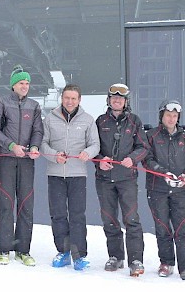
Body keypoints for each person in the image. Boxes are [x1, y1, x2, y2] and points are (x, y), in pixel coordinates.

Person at [0, 65, 44, 266]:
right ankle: (4, 248)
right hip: (6, 158)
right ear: (13, 85)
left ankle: (23, 249)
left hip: (27, 160)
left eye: (27, 83)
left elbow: (38, 130)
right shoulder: (1, 103)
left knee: (26, 204)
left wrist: (35, 146)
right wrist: (11, 145)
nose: (25, 86)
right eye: (21, 82)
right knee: (6, 203)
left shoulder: (34, 106)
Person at [40, 84, 100, 271]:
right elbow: (42, 144)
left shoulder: (88, 120)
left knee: (77, 215)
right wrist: (54, 155)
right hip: (56, 174)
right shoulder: (50, 119)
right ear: (62, 98)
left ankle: (79, 255)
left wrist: (87, 153)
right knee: (58, 215)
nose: (70, 101)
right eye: (67, 98)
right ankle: (63, 252)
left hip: (77, 174)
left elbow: (95, 144)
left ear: (79, 100)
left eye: (73, 98)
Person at [94, 83, 150, 277]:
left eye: (120, 98)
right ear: (109, 100)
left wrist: (132, 158)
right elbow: (93, 147)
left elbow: (143, 147)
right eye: (113, 97)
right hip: (104, 178)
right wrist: (100, 160)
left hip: (126, 179)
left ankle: (136, 259)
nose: (117, 100)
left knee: (131, 219)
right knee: (109, 219)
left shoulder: (134, 121)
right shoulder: (100, 121)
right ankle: (115, 256)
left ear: (126, 102)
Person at [142, 100, 185, 280]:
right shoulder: (151, 135)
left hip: (180, 190)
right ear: (162, 116)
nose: (171, 119)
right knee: (162, 227)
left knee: (181, 228)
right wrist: (162, 173)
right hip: (157, 188)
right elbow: (146, 159)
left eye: (175, 116)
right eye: (168, 115)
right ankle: (166, 263)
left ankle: (183, 267)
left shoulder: (183, 135)